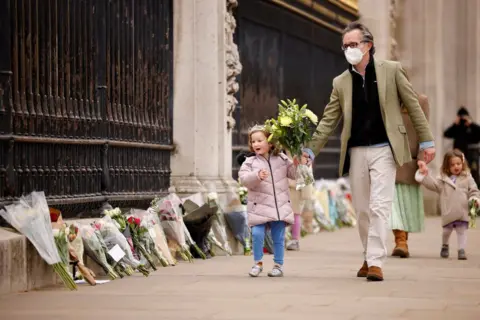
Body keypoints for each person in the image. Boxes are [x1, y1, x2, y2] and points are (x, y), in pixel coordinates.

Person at [304, 21, 435, 281]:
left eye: (354, 44)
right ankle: (368, 253)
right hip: (357, 151)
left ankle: (375, 262)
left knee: (380, 206)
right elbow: (329, 120)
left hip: (386, 150)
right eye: (345, 46)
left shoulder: (392, 70)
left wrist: (426, 142)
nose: (349, 49)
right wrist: (310, 150)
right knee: (363, 209)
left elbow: (414, 106)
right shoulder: (341, 82)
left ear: (368, 46)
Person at [238, 125, 304, 277]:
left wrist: (298, 162)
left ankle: (278, 265)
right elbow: (244, 179)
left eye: (259, 140)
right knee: (257, 234)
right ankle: (257, 263)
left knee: (278, 237)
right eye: (253, 141)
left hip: (279, 207)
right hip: (259, 206)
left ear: (271, 142)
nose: (255, 144)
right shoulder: (249, 162)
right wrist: (256, 176)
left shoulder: (282, 159)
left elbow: (294, 174)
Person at [415, 150, 480, 260]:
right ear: (447, 166)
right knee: (446, 231)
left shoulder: (467, 178)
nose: (456, 167)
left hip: (462, 211)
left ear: (462, 164)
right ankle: (445, 245)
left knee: (461, 231)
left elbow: (474, 190)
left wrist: (474, 198)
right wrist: (424, 175)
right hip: (448, 212)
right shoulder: (443, 180)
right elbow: (433, 185)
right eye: (452, 164)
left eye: (458, 164)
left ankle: (461, 250)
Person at [390, 94, 430, 258]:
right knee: (391, 205)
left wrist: (422, 158)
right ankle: (400, 241)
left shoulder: (419, 101)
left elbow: (424, 130)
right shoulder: (383, 99)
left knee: (405, 206)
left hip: (410, 161)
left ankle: (402, 240)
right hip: (387, 160)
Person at [286, 149, 315, 251]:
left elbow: (303, 184)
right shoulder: (301, 167)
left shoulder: (305, 168)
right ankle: (292, 238)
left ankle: (295, 240)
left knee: (295, 216)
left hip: (297, 196)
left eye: (305, 157)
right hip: (294, 195)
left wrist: (289, 182)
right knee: (293, 216)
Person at [444, 107, 480, 185]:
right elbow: (446, 134)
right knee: (457, 171)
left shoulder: (472, 127)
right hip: (458, 154)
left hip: (471, 154)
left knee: (473, 172)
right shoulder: (457, 127)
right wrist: (454, 124)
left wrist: (471, 124)